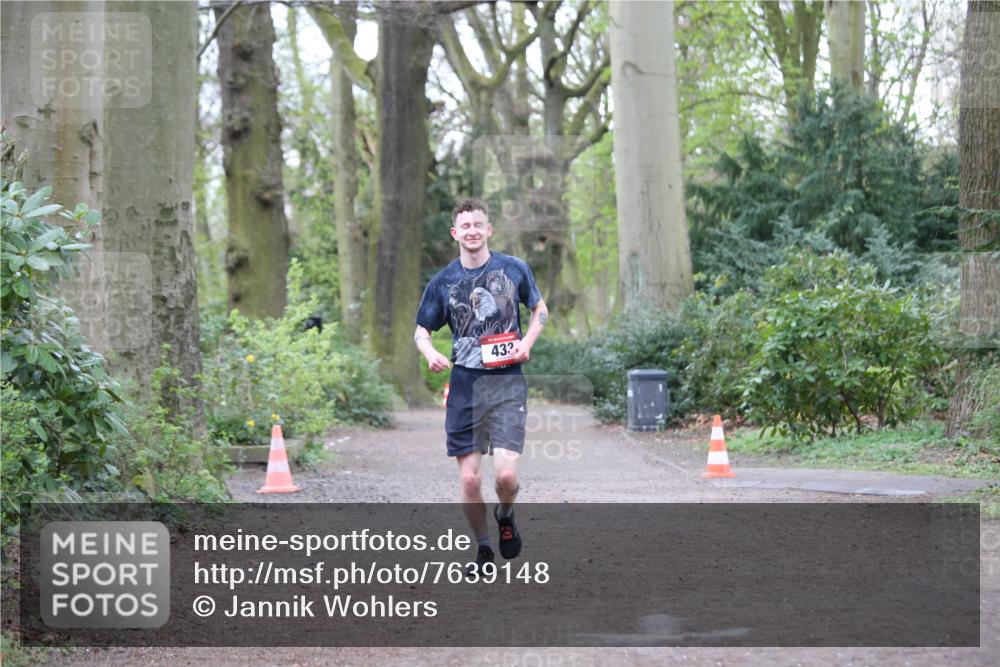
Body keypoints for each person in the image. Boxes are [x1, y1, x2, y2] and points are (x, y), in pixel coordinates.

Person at [414, 198, 548, 575]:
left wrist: (526, 343)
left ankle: (506, 514)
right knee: (471, 478)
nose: (472, 230)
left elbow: (539, 309)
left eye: (479, 224)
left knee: (505, 475)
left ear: (489, 230)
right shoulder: (443, 282)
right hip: (465, 385)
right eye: (465, 226)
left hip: (506, 382)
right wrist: (429, 353)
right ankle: (484, 550)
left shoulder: (514, 269)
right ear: (455, 233)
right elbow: (422, 330)